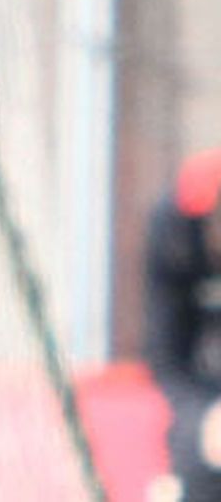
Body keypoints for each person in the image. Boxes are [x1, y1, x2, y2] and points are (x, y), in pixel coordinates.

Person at [145, 147, 221, 500]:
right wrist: (201, 419)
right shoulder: (176, 240)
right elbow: (167, 355)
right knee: (196, 452)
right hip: (205, 394)